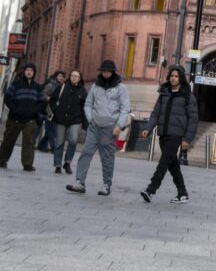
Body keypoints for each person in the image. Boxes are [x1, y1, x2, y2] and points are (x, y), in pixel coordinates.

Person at [66, 60, 130, 196]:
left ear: (113, 72)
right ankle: (80, 182)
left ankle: (106, 184)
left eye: (108, 71)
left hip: (110, 128)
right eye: (104, 71)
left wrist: (119, 125)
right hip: (94, 127)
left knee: (107, 157)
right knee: (86, 153)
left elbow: (125, 108)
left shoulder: (121, 88)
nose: (106, 73)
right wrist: (90, 119)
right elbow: (88, 104)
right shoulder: (96, 85)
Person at [139, 65, 198, 204]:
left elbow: (193, 119)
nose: (173, 78)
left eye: (176, 76)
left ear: (181, 78)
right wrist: (148, 128)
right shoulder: (164, 93)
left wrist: (187, 139)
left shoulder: (188, 96)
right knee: (173, 165)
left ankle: (151, 190)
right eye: (171, 76)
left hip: (176, 135)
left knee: (163, 162)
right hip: (163, 133)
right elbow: (156, 113)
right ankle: (182, 193)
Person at [0, 62, 46, 171]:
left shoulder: (38, 87)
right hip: (15, 118)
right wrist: (15, 109)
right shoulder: (16, 84)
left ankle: (27, 164)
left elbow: (42, 102)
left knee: (29, 142)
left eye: (31, 70)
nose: (29, 72)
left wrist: (34, 111)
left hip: (30, 119)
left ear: (34, 73)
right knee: (8, 140)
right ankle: (2, 160)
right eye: (27, 70)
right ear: (24, 72)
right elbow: (7, 98)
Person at [50, 70, 87, 174]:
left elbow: (85, 106)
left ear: (80, 78)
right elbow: (52, 100)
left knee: (73, 140)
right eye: (72, 75)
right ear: (70, 77)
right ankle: (58, 165)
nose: (74, 78)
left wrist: (85, 122)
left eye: (76, 76)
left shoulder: (83, 91)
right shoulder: (62, 87)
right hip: (61, 118)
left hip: (75, 119)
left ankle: (67, 162)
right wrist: (55, 110)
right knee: (59, 142)